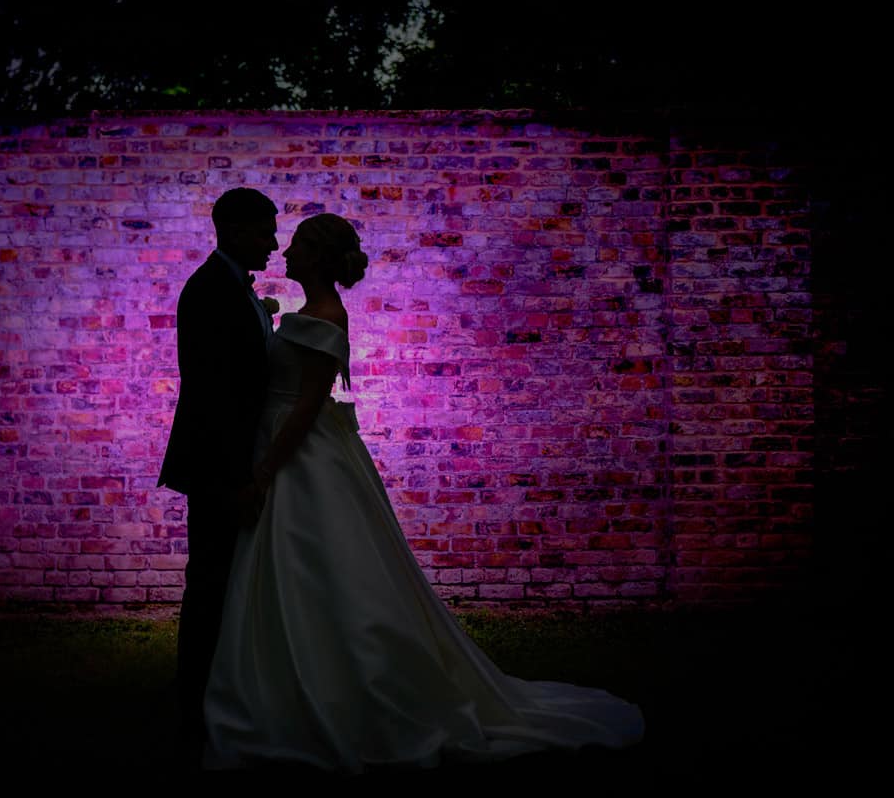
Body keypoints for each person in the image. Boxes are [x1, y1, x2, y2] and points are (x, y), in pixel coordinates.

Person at [201, 212, 646, 773]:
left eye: (294, 247)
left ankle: (341, 686)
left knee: (320, 561)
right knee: (291, 565)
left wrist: (265, 470)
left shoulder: (325, 316)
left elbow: (306, 407)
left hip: (300, 454)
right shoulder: (303, 314)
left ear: (314, 257)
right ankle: (289, 678)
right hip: (291, 445)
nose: (284, 253)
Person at [157, 187, 279, 768]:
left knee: (226, 584)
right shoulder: (209, 291)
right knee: (208, 585)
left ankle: (223, 694)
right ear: (232, 231)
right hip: (216, 466)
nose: (273, 244)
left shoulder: (235, 289)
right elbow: (213, 396)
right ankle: (194, 707)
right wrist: (236, 479)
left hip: (231, 461)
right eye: (263, 232)